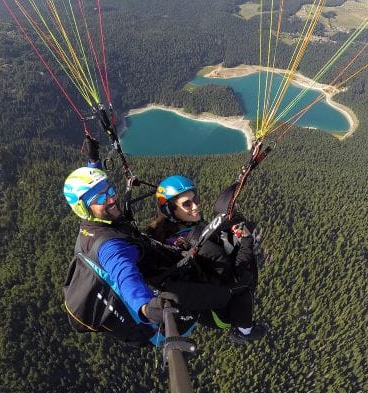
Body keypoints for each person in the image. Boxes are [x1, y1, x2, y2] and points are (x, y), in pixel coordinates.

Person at [63, 137, 183, 332]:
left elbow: (94, 190)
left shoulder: (93, 221)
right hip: (154, 287)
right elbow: (125, 275)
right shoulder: (109, 246)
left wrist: (93, 161)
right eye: (101, 198)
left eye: (110, 190)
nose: (111, 198)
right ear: (83, 209)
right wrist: (146, 307)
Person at [146, 174, 267, 344]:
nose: (195, 206)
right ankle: (243, 331)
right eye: (187, 204)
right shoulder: (200, 243)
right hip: (220, 312)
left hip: (200, 297)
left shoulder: (164, 232)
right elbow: (235, 279)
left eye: (195, 199)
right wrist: (247, 241)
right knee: (245, 283)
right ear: (170, 209)